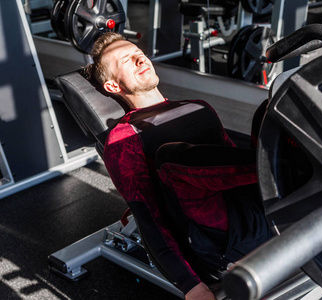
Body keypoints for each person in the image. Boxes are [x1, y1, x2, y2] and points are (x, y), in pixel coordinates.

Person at [84, 32, 272, 300]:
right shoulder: (123, 138)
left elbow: (231, 165)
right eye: (127, 60)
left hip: (261, 214)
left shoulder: (197, 107)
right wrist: (192, 287)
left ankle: (291, 175)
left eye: (139, 53)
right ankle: (285, 167)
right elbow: (149, 218)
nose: (140, 59)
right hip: (221, 243)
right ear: (113, 87)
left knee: (268, 109)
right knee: (171, 160)